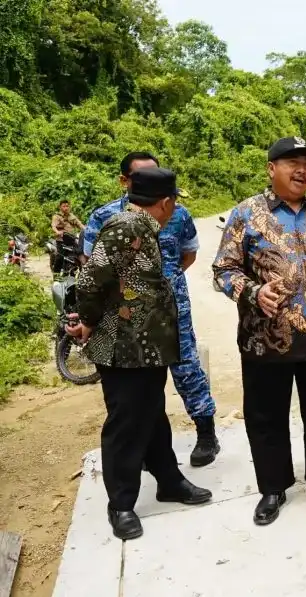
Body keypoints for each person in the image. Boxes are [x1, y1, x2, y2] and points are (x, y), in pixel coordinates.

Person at [213, 136, 306, 525]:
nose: (301, 170)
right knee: (267, 414)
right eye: (290, 162)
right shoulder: (246, 214)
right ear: (271, 169)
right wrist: (252, 290)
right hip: (267, 338)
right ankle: (273, 487)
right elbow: (223, 270)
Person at [66, 167, 212, 540]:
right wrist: (89, 321)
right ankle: (122, 504)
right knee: (126, 425)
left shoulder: (144, 229)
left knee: (152, 416)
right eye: (173, 201)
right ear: (165, 203)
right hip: (121, 348)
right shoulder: (126, 228)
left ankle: (169, 480)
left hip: (146, 347)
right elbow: (88, 282)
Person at [82, 152, 220, 468]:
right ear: (125, 181)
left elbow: (188, 256)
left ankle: (206, 433)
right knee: (139, 387)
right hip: (126, 318)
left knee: (187, 369)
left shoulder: (178, 214)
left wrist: (162, 286)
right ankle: (147, 453)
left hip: (173, 312)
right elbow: (92, 267)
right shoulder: (105, 218)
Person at [50, 201, 84, 273]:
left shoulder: (71, 216)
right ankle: (56, 274)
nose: (66, 208)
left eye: (67, 206)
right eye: (64, 206)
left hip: (72, 239)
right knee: (60, 257)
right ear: (60, 207)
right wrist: (57, 232)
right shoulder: (56, 216)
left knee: (79, 255)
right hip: (61, 240)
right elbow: (53, 226)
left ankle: (82, 274)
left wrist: (87, 230)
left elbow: (80, 224)